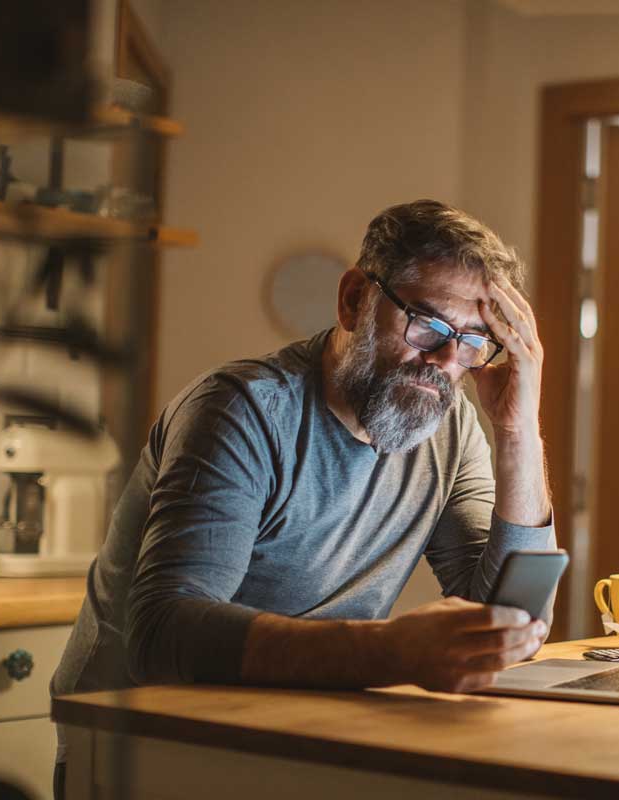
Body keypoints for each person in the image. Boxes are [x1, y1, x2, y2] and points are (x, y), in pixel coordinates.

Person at [49, 199, 556, 797]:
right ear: (353, 300)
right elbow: (165, 633)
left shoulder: (449, 426)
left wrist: (517, 431)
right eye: (428, 324)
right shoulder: (241, 411)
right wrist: (389, 652)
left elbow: (503, 622)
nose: (448, 362)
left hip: (292, 728)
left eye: (475, 342)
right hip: (143, 741)